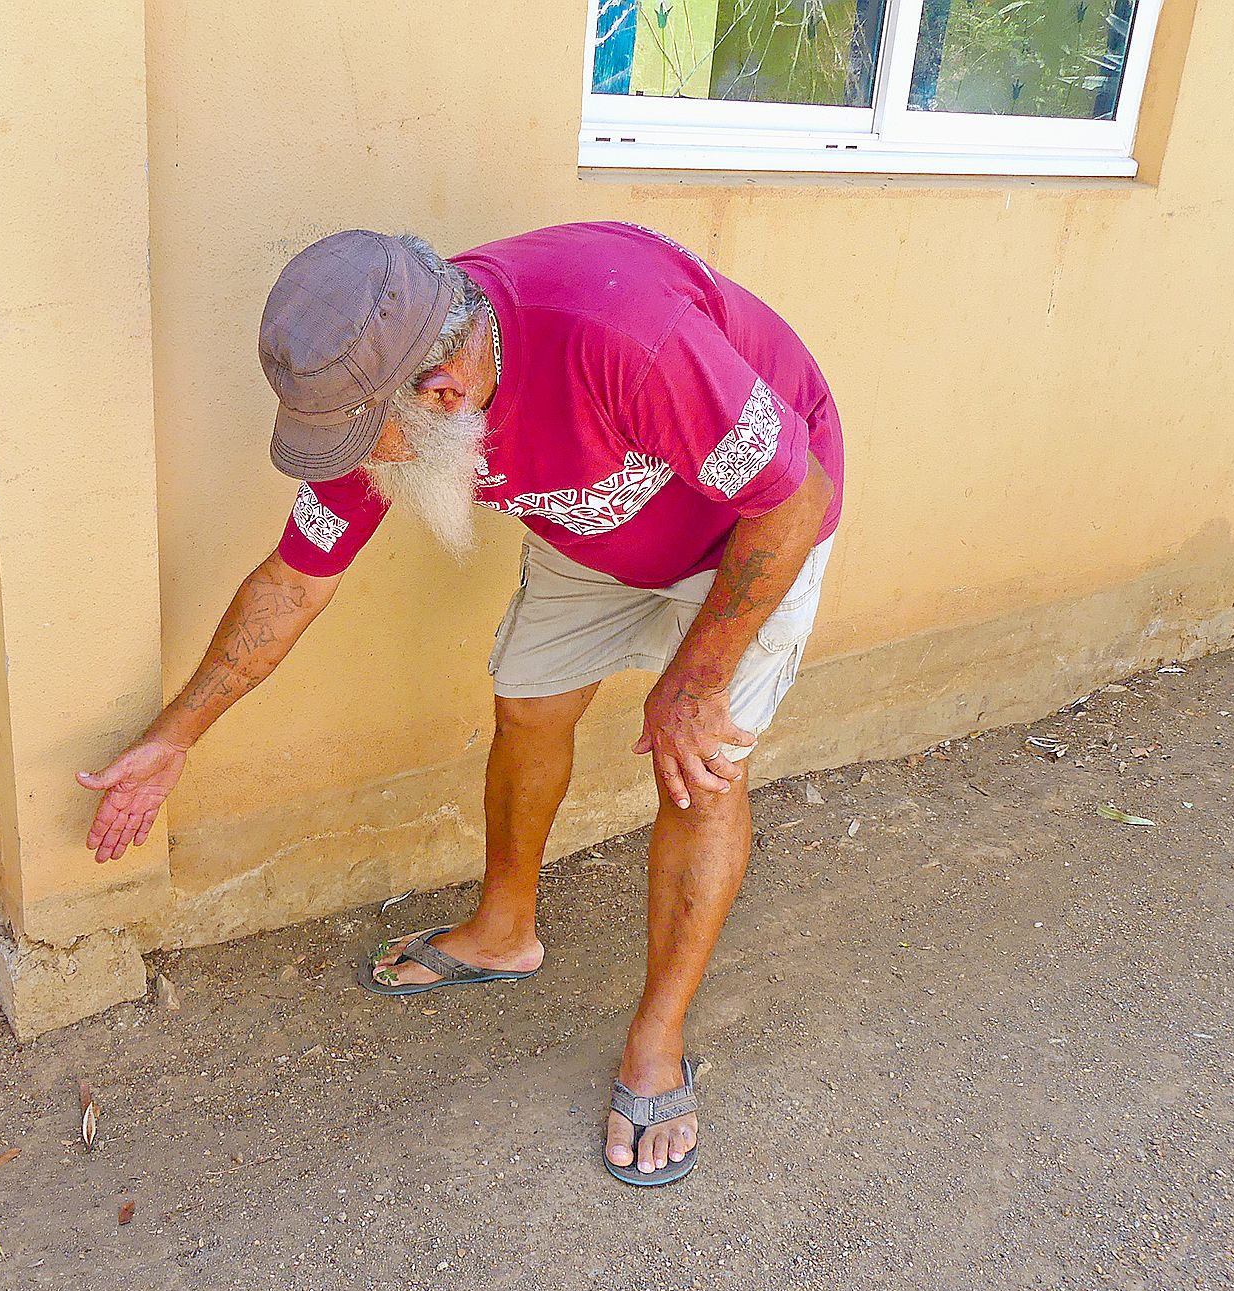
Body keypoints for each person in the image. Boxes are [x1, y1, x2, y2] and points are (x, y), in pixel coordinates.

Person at [79, 223, 843, 1187]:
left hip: (751, 532)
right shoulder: (391, 365)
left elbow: (794, 496)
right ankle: (504, 930)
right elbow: (295, 581)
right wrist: (172, 737)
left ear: (443, 393)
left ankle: (657, 1035)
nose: (359, 462)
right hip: (594, 525)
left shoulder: (623, 340)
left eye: (367, 441)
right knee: (527, 704)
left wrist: (697, 673)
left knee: (699, 769)